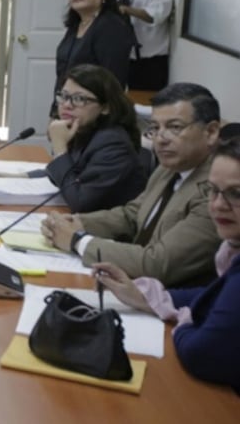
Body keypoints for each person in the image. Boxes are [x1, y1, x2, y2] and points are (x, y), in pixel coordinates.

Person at [93, 136, 240, 395]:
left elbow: (201, 353)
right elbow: (213, 295)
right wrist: (146, 296)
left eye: (235, 194)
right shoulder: (232, 249)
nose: (218, 205)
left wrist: (186, 319)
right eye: (213, 191)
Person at [41, 82, 222, 287]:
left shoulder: (219, 192)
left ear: (211, 132)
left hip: (173, 304)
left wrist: (77, 241)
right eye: (155, 128)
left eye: (174, 127)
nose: (161, 139)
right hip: (133, 286)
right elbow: (133, 215)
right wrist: (78, 222)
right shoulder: (170, 167)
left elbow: (158, 264)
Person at [27, 64, 147, 212]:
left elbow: (79, 201)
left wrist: (59, 148)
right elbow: (66, 172)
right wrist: (20, 176)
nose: (66, 105)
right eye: (63, 96)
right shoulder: (85, 129)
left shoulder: (114, 144)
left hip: (106, 231)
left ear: (105, 107)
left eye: (79, 99)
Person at [51, 0, 135, 116]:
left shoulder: (111, 26)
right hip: (68, 107)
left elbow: (113, 80)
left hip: (94, 113)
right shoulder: (76, 25)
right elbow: (62, 75)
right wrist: (55, 113)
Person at [100, 0, 174, 91]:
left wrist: (127, 10)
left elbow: (155, 16)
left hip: (150, 62)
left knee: (146, 105)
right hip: (123, 58)